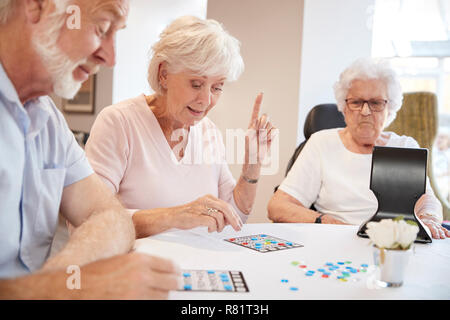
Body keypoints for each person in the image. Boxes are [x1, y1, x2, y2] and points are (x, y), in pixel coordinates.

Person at [0, 0, 180, 299]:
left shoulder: (47, 120)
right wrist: (61, 288)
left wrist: (64, 279)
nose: (110, 58)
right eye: (101, 28)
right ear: (36, 6)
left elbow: (110, 215)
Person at [85, 16, 277, 238]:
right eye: (196, 84)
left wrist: (252, 166)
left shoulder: (209, 131)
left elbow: (232, 217)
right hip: (137, 268)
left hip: (196, 266)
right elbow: (90, 221)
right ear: (164, 74)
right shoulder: (118, 122)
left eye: (217, 87)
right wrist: (174, 217)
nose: (206, 100)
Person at [268, 58, 450, 240]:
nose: (365, 111)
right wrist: (326, 221)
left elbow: (426, 200)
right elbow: (278, 206)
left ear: (390, 107)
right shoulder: (321, 143)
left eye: (376, 103)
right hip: (335, 241)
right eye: (356, 102)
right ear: (344, 107)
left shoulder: (404, 146)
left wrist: (429, 218)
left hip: (392, 244)